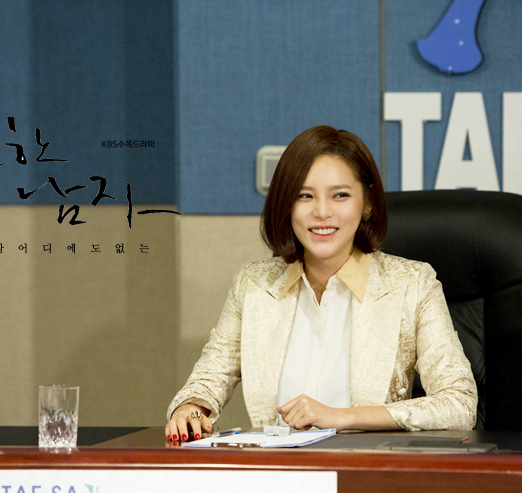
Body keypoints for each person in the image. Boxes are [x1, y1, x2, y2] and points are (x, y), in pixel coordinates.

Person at [165, 125, 477, 442]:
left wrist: (341, 417)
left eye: (340, 195)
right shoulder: (253, 284)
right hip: (277, 468)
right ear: (286, 205)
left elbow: (460, 404)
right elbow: (207, 381)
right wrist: (191, 410)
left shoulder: (413, 284)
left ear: (368, 203)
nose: (322, 212)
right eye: (304, 196)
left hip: (366, 468)